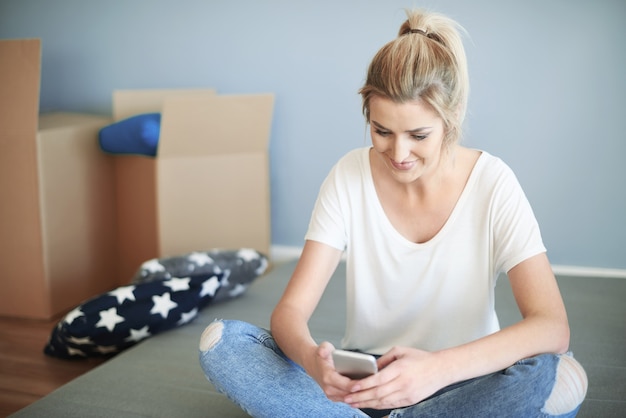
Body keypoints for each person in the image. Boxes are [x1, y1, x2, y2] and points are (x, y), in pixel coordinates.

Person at [199, 8, 588, 417]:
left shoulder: (493, 182)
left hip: (464, 382)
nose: (398, 154)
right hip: (367, 386)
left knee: (556, 376)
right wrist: (315, 364)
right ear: (368, 113)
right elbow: (290, 312)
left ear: (451, 118)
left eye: (418, 135)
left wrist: (436, 370)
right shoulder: (348, 175)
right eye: (382, 131)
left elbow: (551, 326)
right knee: (223, 344)